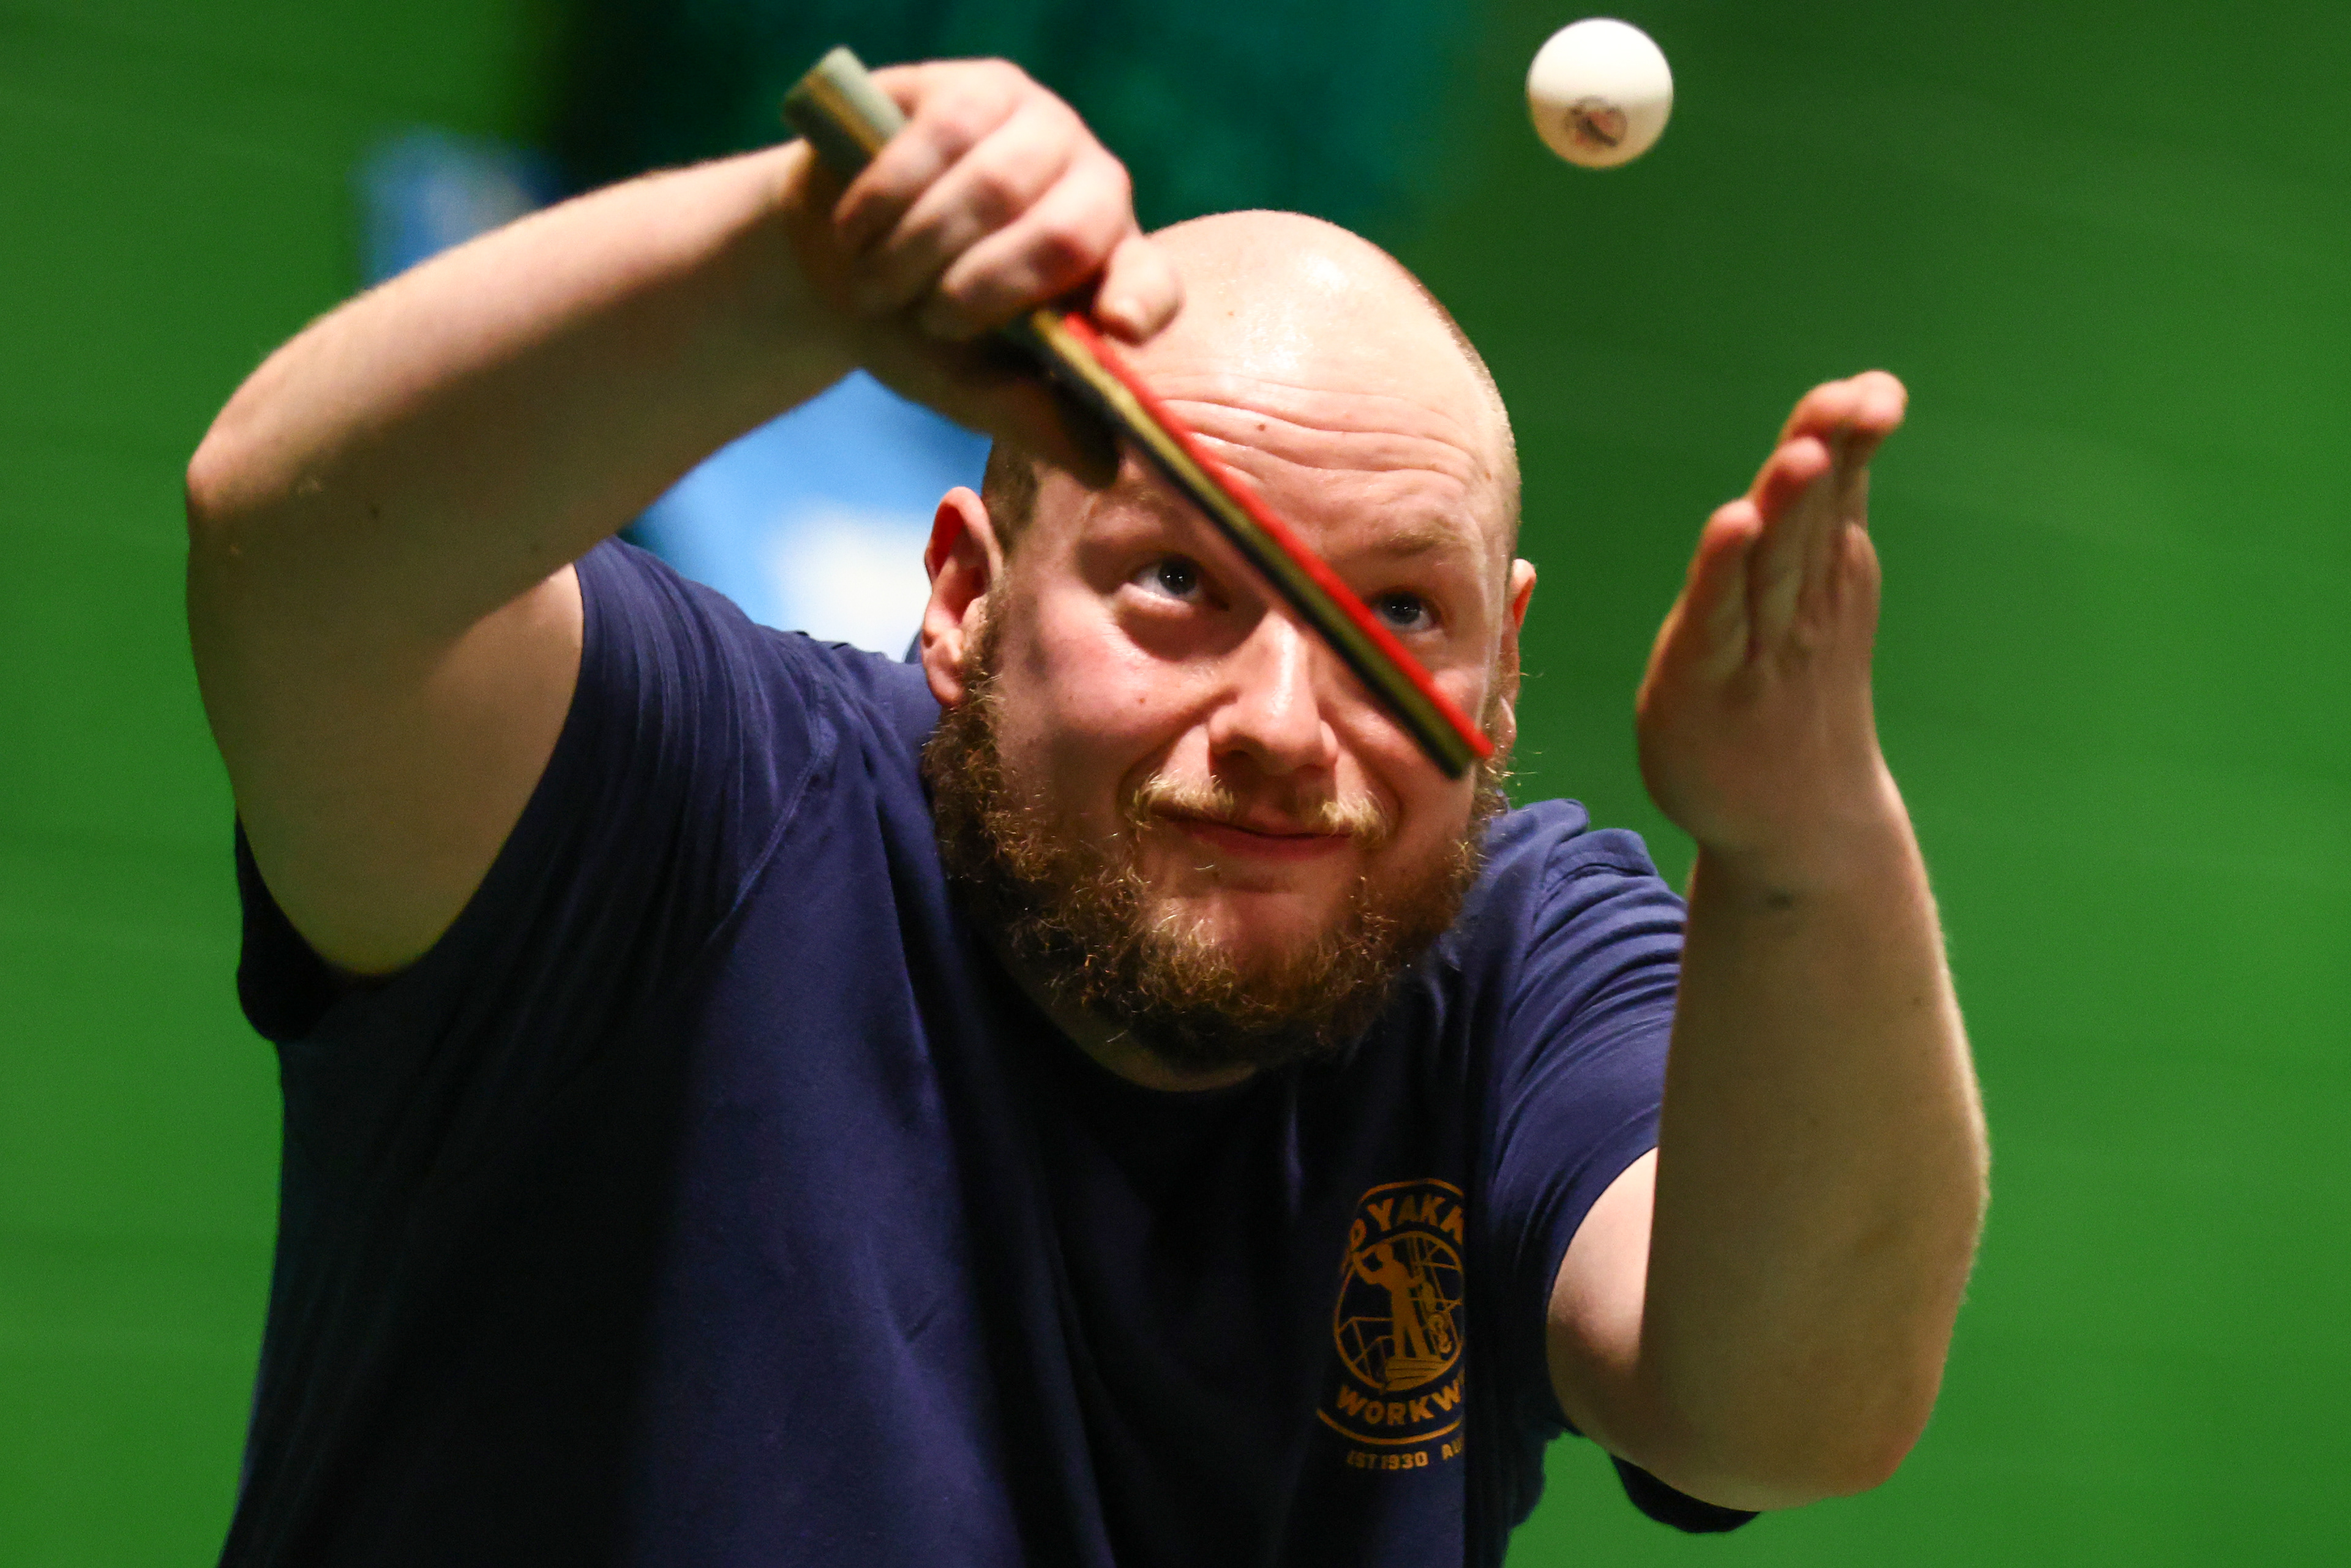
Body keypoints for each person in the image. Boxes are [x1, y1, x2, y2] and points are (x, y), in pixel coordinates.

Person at [184, 58, 1987, 1567]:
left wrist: (1808, 844)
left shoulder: (1511, 966)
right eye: (1175, 587)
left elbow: (1786, 1403)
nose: (1287, 723)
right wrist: (789, 265)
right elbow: (297, 561)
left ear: (1505, 667)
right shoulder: (681, 806)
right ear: (961, 595)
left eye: (1400, 620)